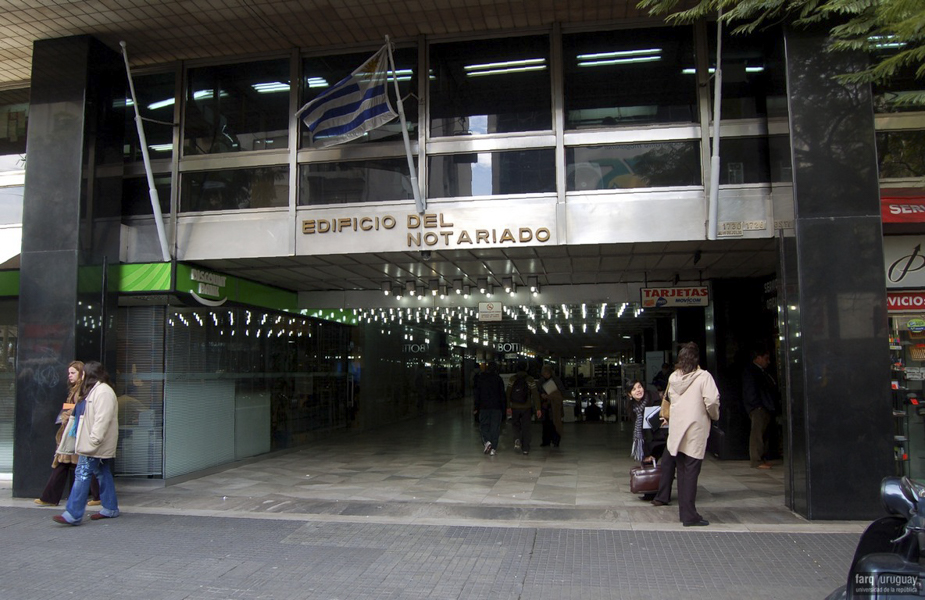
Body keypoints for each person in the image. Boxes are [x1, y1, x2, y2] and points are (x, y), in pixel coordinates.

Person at [660, 342, 720, 527]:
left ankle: (684, 513)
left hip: (677, 431)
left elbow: (668, 399)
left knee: (683, 473)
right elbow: (711, 401)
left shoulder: (673, 377)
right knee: (692, 473)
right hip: (695, 430)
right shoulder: (704, 377)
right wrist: (714, 416)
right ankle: (689, 515)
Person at [53, 361, 120, 525]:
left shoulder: (102, 392)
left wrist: (93, 440)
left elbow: (102, 420)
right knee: (102, 473)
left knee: (82, 474)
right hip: (94, 442)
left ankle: (73, 514)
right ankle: (110, 508)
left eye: (82, 373)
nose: (80, 376)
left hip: (94, 444)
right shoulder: (94, 390)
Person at [34, 361, 101, 507]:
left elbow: (80, 410)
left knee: (74, 463)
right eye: (69, 373)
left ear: (81, 374)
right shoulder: (77, 389)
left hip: (75, 432)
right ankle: (50, 497)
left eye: (73, 373)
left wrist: (67, 415)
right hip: (74, 431)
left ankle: (52, 498)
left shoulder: (82, 390)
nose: (69, 376)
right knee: (69, 464)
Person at [742, 344, 779, 469]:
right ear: (758, 358)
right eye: (765, 358)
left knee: (762, 433)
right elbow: (750, 390)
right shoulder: (752, 371)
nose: (767, 362)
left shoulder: (760, 372)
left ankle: (761, 458)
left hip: (763, 405)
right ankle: (756, 460)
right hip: (758, 406)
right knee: (757, 433)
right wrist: (756, 405)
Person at [506, 361, 541, 455]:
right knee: (526, 427)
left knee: (515, 425)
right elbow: (535, 394)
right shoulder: (530, 379)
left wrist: (508, 406)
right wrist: (538, 408)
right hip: (527, 407)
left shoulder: (512, 379)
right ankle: (525, 448)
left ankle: (517, 438)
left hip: (515, 406)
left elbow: (508, 393)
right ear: (526, 368)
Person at [473, 361, 505, 456]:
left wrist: (476, 406)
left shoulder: (481, 379)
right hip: (496, 407)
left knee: (484, 425)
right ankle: (493, 449)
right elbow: (502, 395)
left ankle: (487, 441)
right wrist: (504, 408)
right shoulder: (499, 379)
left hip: (484, 406)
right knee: (495, 428)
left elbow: (477, 394)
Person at [539, 364, 567, 447]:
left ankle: (555, 440)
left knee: (555, 423)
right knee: (546, 424)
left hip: (554, 406)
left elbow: (561, 392)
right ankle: (546, 441)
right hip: (546, 406)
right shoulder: (542, 381)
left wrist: (549, 396)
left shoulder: (556, 380)